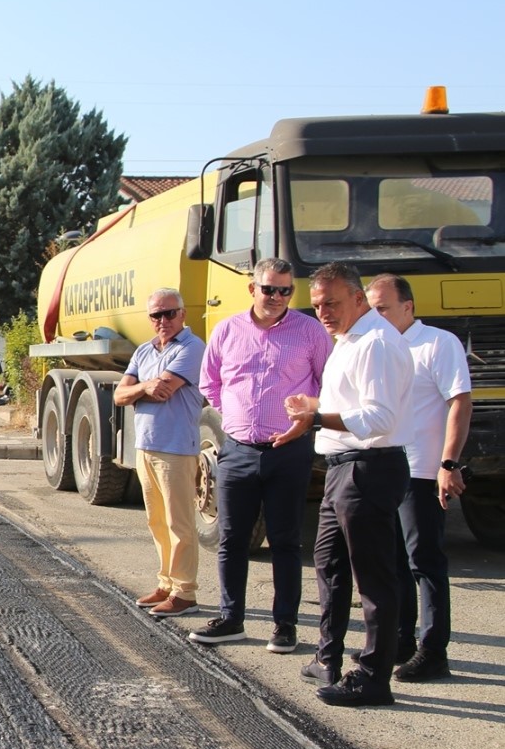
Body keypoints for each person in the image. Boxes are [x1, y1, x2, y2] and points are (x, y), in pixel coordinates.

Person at [279, 262, 413, 707]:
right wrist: (314, 408)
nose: (323, 313)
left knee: (373, 577)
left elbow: (379, 419)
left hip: (369, 468)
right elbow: (349, 406)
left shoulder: (375, 343)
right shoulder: (349, 341)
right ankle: (328, 656)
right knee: (329, 565)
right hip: (343, 466)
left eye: (332, 303)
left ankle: (375, 677)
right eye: (316, 305)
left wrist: (315, 417)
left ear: (359, 297)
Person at [189, 259, 332, 654]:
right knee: (232, 539)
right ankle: (231, 618)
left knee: (285, 541)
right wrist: (237, 418)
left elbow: (328, 383)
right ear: (252, 289)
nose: (276, 297)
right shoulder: (228, 330)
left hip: (289, 451)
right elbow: (211, 382)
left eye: (285, 291)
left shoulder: (310, 332)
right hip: (237, 450)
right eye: (269, 289)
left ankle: (285, 625)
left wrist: (304, 419)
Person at [365, 273, 471, 683]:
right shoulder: (378, 347)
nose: (375, 316)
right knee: (392, 563)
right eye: (371, 308)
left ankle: (433, 650)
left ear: (408, 307)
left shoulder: (437, 344)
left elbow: (459, 402)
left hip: (423, 471)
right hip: (385, 469)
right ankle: (401, 640)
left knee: (424, 562)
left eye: (383, 308)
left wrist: (449, 464)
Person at [114, 289, 206, 618]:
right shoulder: (144, 350)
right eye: (156, 315)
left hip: (177, 447)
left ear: (183, 314)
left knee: (179, 522)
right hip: (147, 445)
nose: (163, 321)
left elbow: (164, 390)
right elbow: (120, 396)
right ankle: (166, 583)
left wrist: (140, 389)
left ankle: (185, 592)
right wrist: (143, 388)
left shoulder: (193, 348)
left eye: (169, 313)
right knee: (156, 521)